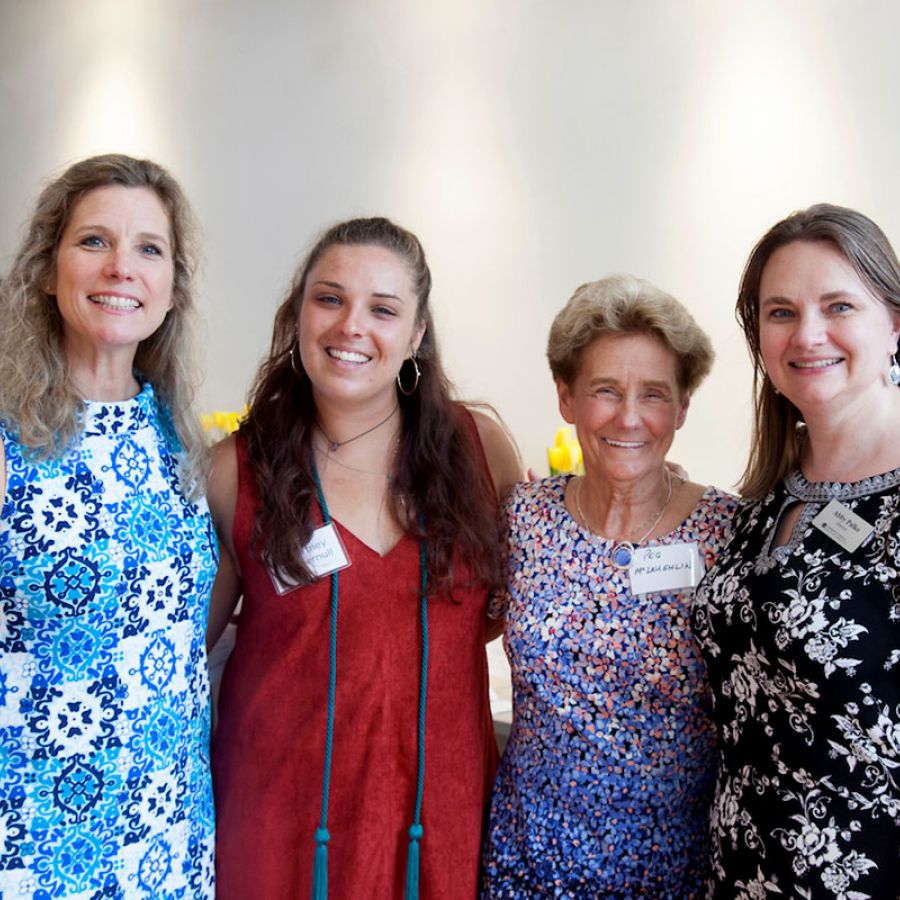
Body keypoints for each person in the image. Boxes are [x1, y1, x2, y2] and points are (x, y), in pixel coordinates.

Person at [208, 217, 521, 898]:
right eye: (329, 299)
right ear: (296, 316)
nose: (352, 325)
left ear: (416, 336)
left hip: (438, 808)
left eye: (382, 309)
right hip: (282, 812)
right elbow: (183, 651)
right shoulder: (235, 471)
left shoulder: (480, 451)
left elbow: (498, 613)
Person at [0, 155, 216, 896]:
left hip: (168, 838)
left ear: (172, 288)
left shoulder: (183, 442)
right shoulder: (5, 439)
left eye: (148, 249)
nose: (122, 267)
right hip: (31, 846)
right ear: (46, 267)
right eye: (94, 241)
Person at [481, 275, 737, 898]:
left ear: (681, 408)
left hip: (672, 871)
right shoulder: (522, 517)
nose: (629, 417)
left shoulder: (728, 533)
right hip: (525, 863)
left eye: (653, 394)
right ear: (566, 398)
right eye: (605, 391)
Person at [692, 204, 900, 898]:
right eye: (780, 312)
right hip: (740, 875)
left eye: (839, 305)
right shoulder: (770, 497)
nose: (808, 334)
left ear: (894, 322)